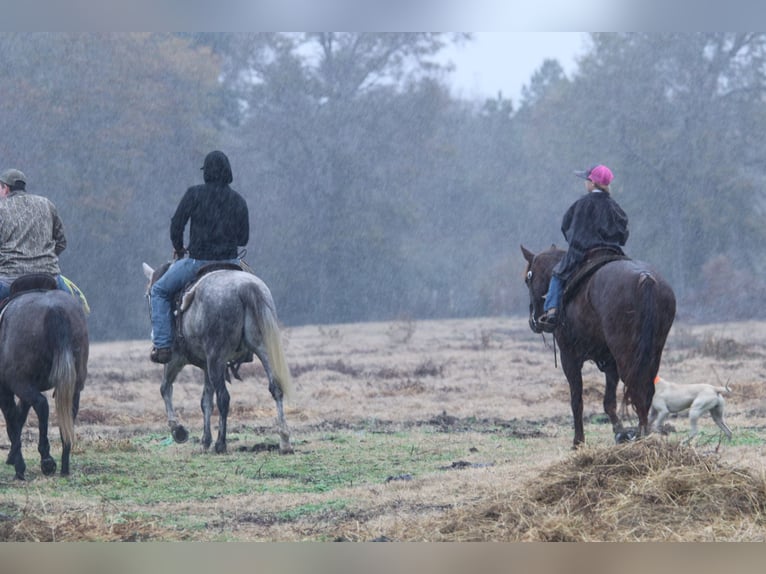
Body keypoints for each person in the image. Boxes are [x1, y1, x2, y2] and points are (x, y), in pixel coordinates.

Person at [149, 150, 249, 364]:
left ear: (206, 172)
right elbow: (244, 238)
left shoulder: (194, 194)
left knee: (158, 290)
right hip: (231, 264)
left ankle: (163, 345)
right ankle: (248, 344)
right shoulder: (238, 200)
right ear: (227, 172)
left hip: (198, 263)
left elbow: (177, 225)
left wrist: (179, 248)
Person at [538, 164, 629, 332]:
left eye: (586, 180)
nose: (585, 183)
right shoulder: (615, 207)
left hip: (584, 253)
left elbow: (567, 227)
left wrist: (578, 242)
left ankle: (551, 311)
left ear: (593, 183)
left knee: (557, 275)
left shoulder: (581, 204)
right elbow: (623, 233)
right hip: (613, 254)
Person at [0, 168, 69, 300]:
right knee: (77, 306)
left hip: (10, 279)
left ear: (6, 188)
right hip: (49, 277)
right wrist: (43, 259)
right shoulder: (46, 204)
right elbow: (61, 242)